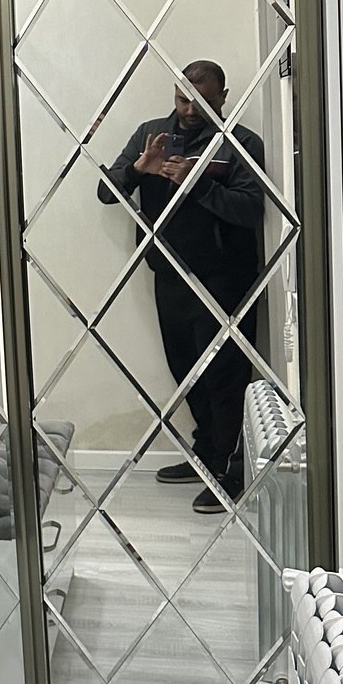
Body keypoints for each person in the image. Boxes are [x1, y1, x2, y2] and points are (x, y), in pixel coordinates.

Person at [97, 60, 265, 514]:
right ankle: (207, 455)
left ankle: (231, 471)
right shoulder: (149, 134)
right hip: (169, 272)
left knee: (225, 375)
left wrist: (194, 184)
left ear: (223, 97)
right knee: (185, 369)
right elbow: (107, 192)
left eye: (203, 101)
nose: (190, 110)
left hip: (225, 278)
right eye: (183, 99)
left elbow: (250, 209)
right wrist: (138, 170)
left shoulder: (240, 143)